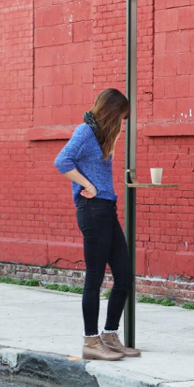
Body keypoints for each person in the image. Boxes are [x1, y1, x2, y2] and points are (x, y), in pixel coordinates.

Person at [54, 88, 140, 361]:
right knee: (95, 277)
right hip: (92, 210)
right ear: (112, 112)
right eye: (121, 118)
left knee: (124, 275)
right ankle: (91, 341)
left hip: (106, 209)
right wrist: (87, 185)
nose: (122, 124)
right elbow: (62, 161)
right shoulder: (85, 132)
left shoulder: (100, 135)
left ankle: (110, 335)